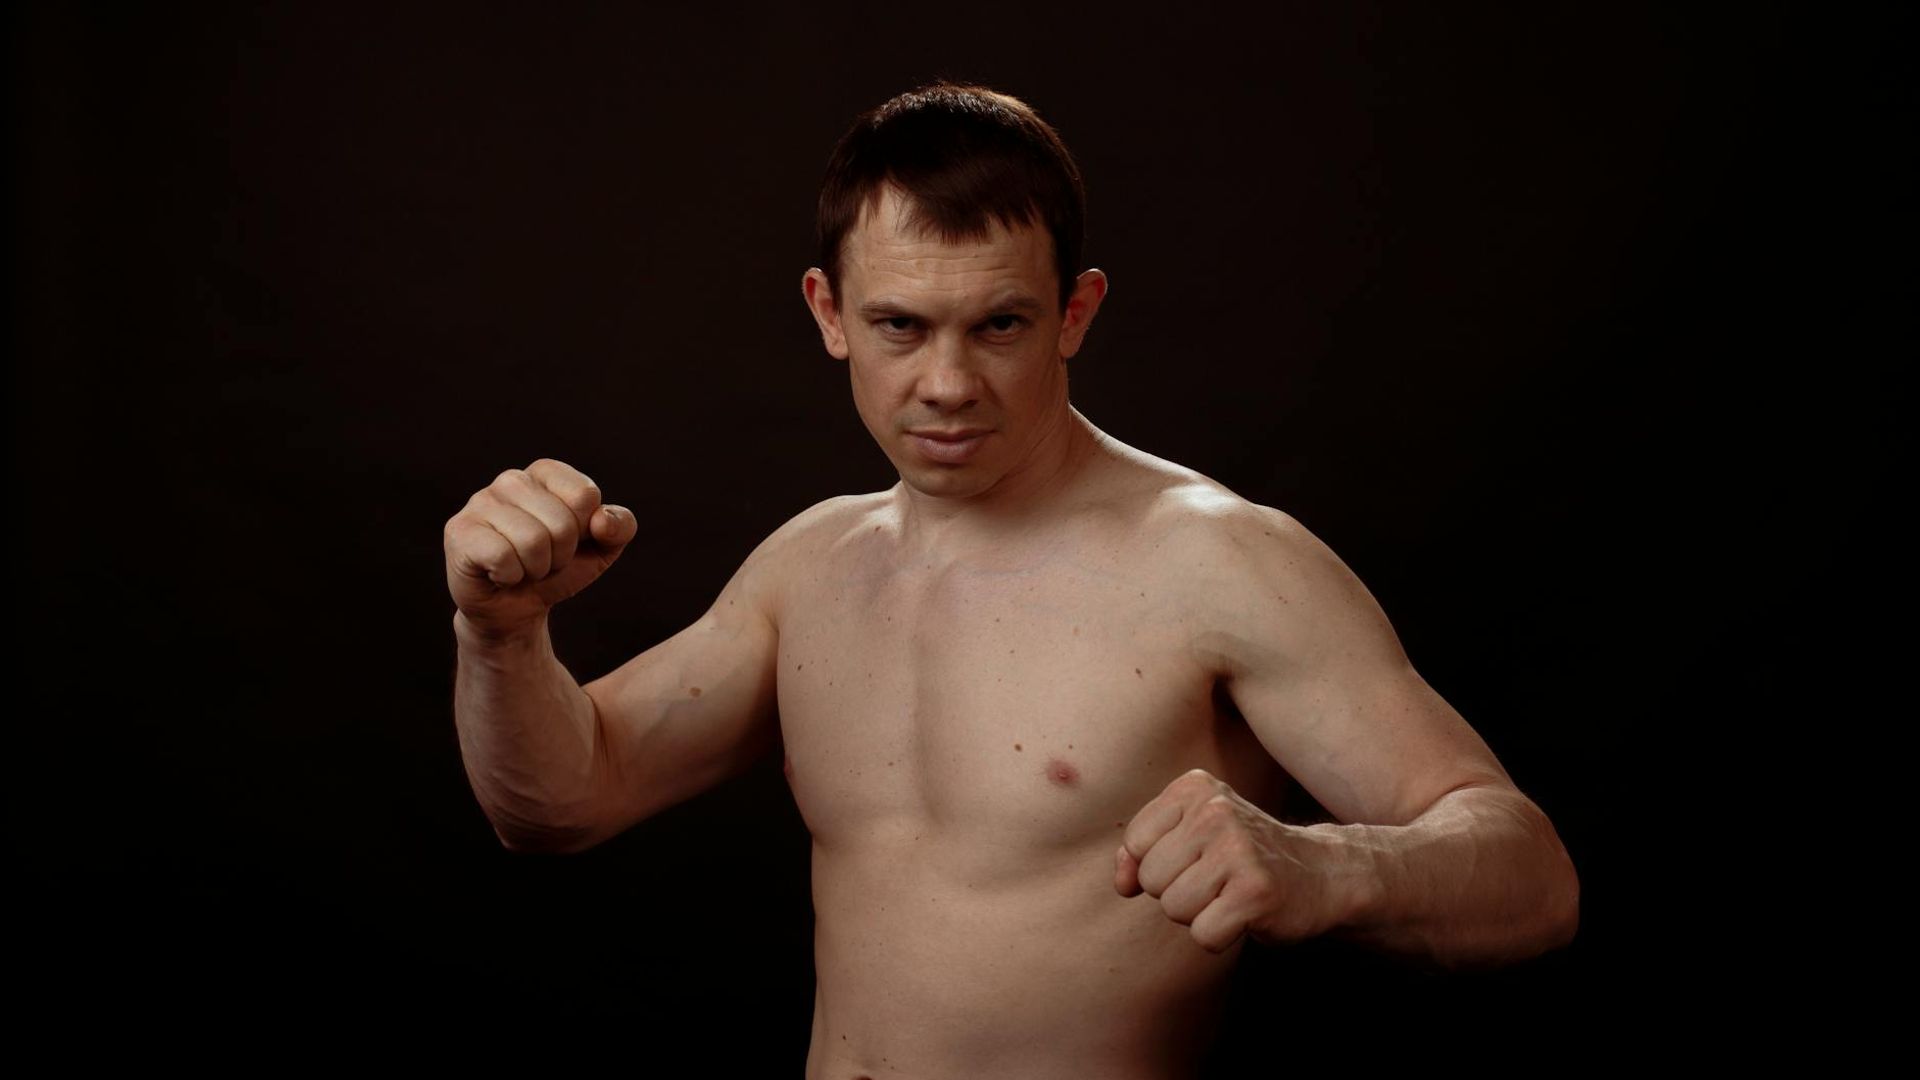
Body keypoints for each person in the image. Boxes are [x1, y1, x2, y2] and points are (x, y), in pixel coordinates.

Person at [443, 81, 1578, 1077]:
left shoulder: (1219, 561)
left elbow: (1532, 877)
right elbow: (563, 799)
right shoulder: (810, 567)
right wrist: (499, 636)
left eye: (999, 324)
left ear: (1074, 312)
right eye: (899, 325)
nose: (946, 384)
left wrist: (1334, 866)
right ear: (828, 314)